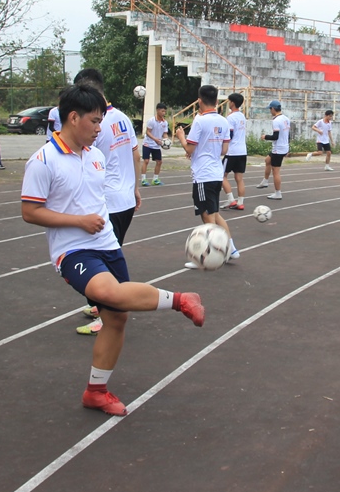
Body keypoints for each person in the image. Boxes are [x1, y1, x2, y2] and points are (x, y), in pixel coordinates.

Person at [21, 83, 206, 417]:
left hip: (106, 244)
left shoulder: (95, 155)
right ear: (73, 117)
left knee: (117, 318)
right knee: (111, 293)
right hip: (73, 250)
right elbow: (30, 212)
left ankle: (96, 391)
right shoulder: (42, 161)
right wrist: (78, 222)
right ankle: (180, 300)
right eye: (94, 121)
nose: (98, 128)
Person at [72, 69, 142, 336]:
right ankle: (100, 305)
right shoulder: (122, 117)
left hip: (107, 201)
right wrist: (135, 188)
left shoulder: (94, 124)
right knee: (110, 253)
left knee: (100, 258)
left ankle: (106, 314)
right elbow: (135, 155)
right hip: (124, 199)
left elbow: (84, 163)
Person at [175, 84, 239, 268]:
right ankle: (231, 249)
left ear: (199, 101)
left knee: (207, 217)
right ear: (217, 101)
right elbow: (225, 149)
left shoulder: (199, 120)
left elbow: (189, 148)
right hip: (216, 173)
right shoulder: (224, 121)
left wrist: (180, 135)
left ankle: (207, 256)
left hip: (203, 174)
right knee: (215, 213)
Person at [255, 100, 290, 200]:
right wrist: (287, 146)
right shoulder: (286, 119)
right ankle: (265, 181)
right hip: (283, 147)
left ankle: (278, 193)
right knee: (267, 160)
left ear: (273, 109)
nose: (270, 111)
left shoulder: (276, 121)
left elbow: (275, 136)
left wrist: (265, 136)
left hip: (278, 149)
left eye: (270, 109)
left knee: (276, 171)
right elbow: (288, 134)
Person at [221, 93, 248, 210]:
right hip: (242, 151)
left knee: (221, 175)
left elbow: (230, 135)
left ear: (232, 102)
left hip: (232, 152)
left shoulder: (230, 118)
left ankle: (231, 199)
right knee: (239, 178)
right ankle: (240, 202)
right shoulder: (242, 116)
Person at [140, 102, 169, 186]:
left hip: (156, 145)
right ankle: (143, 179)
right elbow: (148, 132)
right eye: (162, 111)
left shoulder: (165, 123)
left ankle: (155, 179)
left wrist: (166, 140)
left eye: (165, 111)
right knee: (146, 160)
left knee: (159, 162)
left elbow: (165, 133)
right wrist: (155, 139)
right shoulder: (151, 121)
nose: (164, 113)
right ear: (157, 110)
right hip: (148, 143)